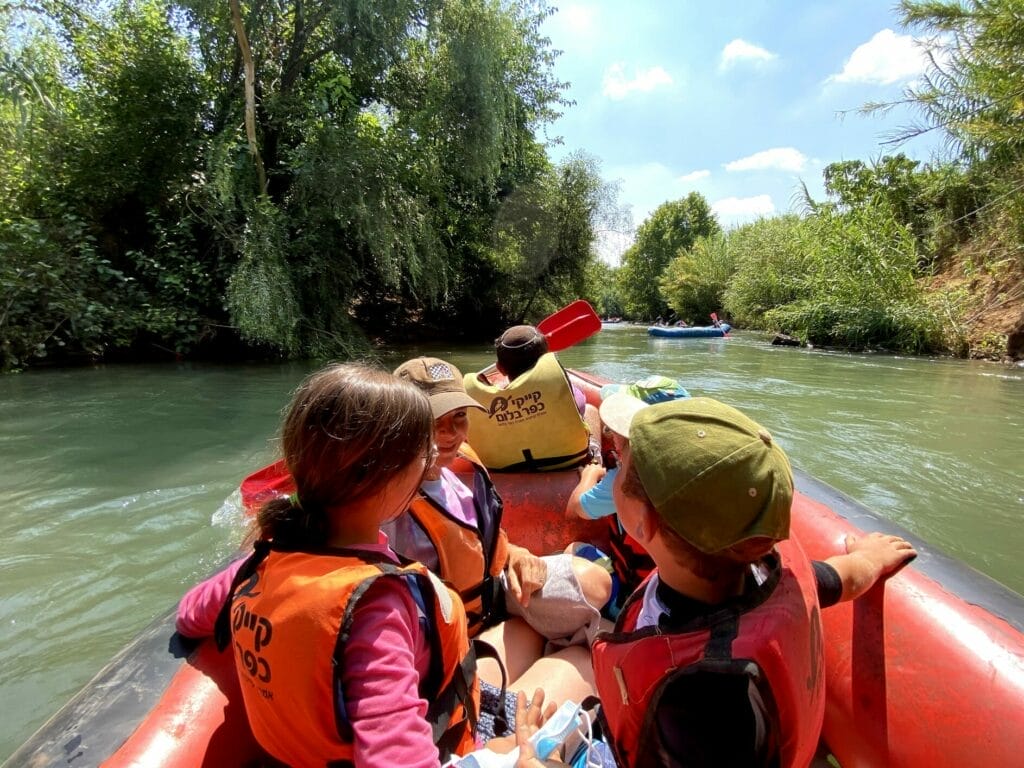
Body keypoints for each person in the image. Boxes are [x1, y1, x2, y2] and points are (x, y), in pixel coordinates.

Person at [581, 394, 918, 768]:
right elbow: (844, 577)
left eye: (623, 462)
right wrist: (870, 558)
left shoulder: (698, 705)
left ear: (644, 521)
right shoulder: (771, 574)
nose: (617, 457)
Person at [386, 357, 610, 692]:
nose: (450, 433)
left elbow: (480, 537)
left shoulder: (459, 466)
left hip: (490, 589)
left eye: (459, 417)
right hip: (443, 628)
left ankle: (556, 646)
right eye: (434, 421)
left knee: (594, 584)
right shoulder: (388, 503)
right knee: (577, 648)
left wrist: (514, 553)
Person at [565, 377, 689, 616]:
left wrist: (588, 476)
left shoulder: (621, 480)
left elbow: (578, 508)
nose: (611, 435)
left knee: (574, 548)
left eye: (615, 430)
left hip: (632, 598)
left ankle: (608, 623)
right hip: (670, 597)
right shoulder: (688, 477)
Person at [463, 324, 602, 472]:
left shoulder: (475, 404)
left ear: (500, 369)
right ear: (544, 361)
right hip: (566, 461)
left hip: (503, 469)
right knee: (590, 410)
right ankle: (596, 460)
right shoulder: (570, 394)